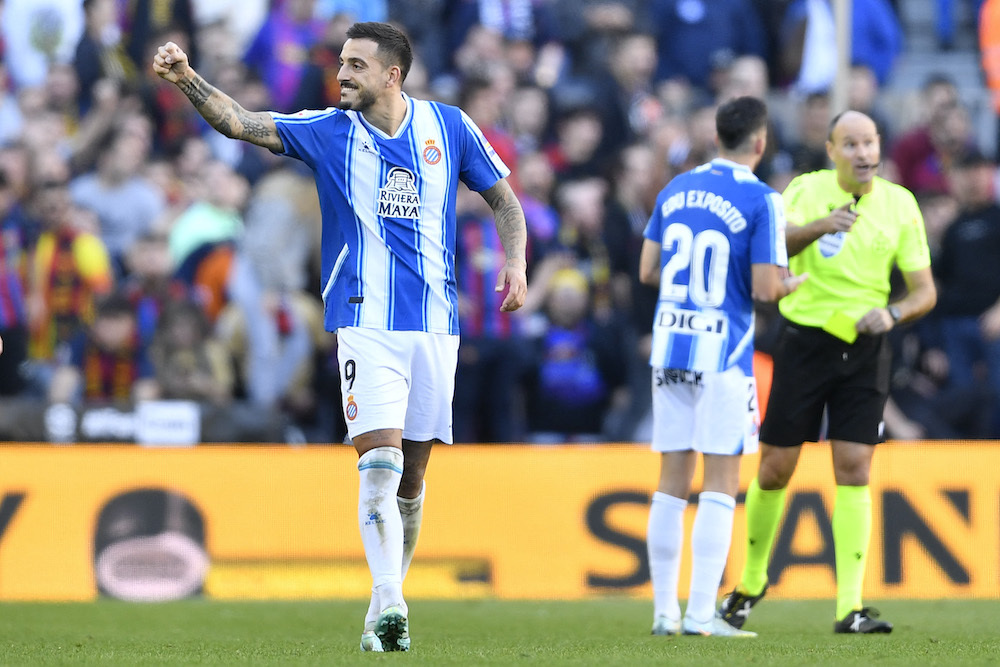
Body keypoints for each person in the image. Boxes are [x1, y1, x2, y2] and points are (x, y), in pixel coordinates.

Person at [153, 21, 528, 652]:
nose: (342, 74)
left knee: (411, 478)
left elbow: (507, 205)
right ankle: (393, 607)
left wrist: (514, 262)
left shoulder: (451, 127)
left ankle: (385, 600)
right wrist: (188, 78)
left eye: (356, 65)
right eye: (341, 63)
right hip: (364, 322)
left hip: (437, 325)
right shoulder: (329, 130)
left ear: (392, 75)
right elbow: (241, 122)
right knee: (377, 464)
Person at [719, 110, 937, 634]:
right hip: (805, 343)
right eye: (852, 144)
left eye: (870, 143)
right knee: (775, 469)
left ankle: (850, 607)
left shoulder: (900, 204)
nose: (864, 153)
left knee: (856, 467)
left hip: (866, 346)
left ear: (880, 148)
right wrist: (822, 226)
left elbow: (925, 291)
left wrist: (894, 313)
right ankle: (750, 583)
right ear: (831, 149)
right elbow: (775, 249)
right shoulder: (805, 191)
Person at [640, 96, 805, 638]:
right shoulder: (763, 199)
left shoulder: (675, 189)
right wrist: (788, 283)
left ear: (717, 136)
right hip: (724, 355)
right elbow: (764, 288)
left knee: (670, 481)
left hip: (670, 348)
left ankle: (665, 612)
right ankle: (702, 615)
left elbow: (647, 270)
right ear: (760, 141)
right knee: (720, 483)